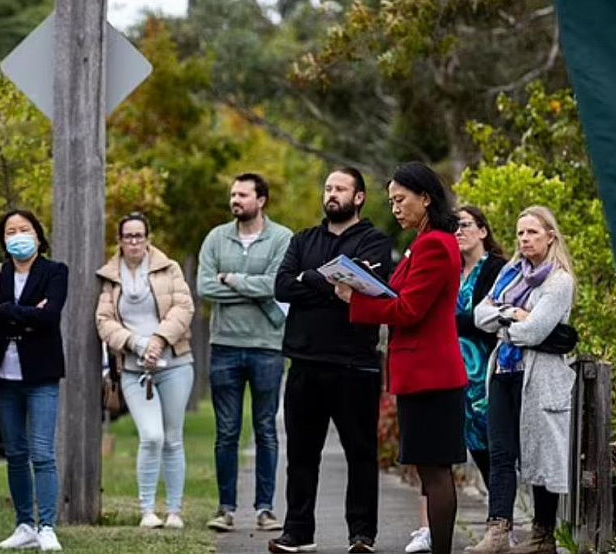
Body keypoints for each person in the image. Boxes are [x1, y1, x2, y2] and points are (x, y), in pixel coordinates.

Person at [334, 163, 467, 554]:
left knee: (436, 472)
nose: (394, 208)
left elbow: (409, 310)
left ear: (425, 198)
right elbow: (399, 297)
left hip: (433, 375)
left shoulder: (434, 245)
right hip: (421, 374)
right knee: (430, 472)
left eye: (400, 199)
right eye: (391, 200)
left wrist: (355, 300)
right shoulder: (425, 242)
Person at [268, 168, 393, 554]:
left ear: (358, 197)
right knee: (302, 455)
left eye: (340, 188)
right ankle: (297, 532)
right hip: (304, 362)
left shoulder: (375, 242)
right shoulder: (303, 239)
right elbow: (282, 285)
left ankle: (361, 535)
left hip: (355, 365)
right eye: (328, 188)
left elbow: (369, 289)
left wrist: (310, 280)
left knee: (361, 454)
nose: (331, 194)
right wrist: (331, 283)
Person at [466, 206, 577, 554]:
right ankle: (497, 532)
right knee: (500, 452)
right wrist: (512, 313)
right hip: (504, 372)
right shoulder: (510, 273)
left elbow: (535, 331)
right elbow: (479, 315)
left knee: (544, 457)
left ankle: (543, 535)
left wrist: (505, 325)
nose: (525, 239)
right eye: (520, 233)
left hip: (541, 377)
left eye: (532, 232)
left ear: (550, 236)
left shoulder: (559, 281)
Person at [404, 206, 508, 554]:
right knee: (435, 459)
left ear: (483, 231)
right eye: (455, 226)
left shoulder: (495, 268)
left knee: (484, 449)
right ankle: (427, 528)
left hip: (479, 374)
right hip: (444, 370)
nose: (459, 232)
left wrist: (447, 319)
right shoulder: (450, 266)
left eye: (466, 226)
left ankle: (499, 526)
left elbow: (485, 318)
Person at [198, 173, 293, 532]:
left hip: (267, 347)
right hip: (224, 346)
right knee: (226, 431)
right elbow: (205, 286)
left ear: (261, 200)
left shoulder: (282, 238)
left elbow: (277, 284)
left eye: (242, 194)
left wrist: (232, 279)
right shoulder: (216, 238)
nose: (235, 200)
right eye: (232, 195)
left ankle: (266, 509)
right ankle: (225, 508)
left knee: (266, 428)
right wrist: (252, 289)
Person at [96, 212, 195, 530]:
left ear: (148, 238)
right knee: (151, 436)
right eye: (128, 237)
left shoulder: (170, 268)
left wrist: (159, 340)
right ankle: (147, 510)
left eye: (140, 236)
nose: (134, 242)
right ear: (120, 241)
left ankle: (175, 511)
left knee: (172, 438)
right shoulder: (110, 277)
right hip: (133, 369)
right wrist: (138, 344)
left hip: (174, 364)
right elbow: (104, 321)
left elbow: (184, 307)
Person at [0, 210, 67, 552]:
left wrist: (7, 311)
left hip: (40, 373)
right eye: (10, 231)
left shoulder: (55, 271)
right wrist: (19, 313)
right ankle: (24, 524)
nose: (17, 235)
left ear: (38, 235)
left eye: (24, 229)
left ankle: (47, 525)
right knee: (15, 453)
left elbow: (50, 316)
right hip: (4, 376)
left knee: (42, 453)